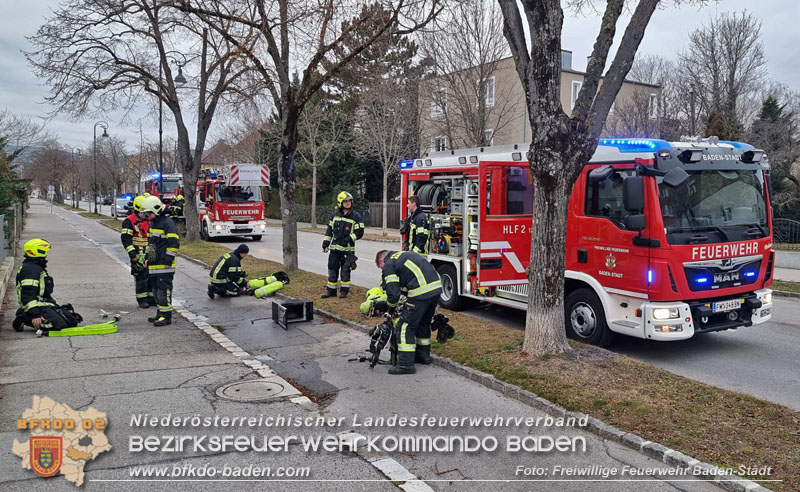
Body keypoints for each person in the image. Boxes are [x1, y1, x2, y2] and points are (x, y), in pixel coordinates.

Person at [375, 249, 442, 375]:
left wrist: (390, 309)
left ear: (381, 260)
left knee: (404, 326)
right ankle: (423, 356)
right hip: (436, 288)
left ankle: (406, 365)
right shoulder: (403, 255)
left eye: (380, 267)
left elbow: (393, 294)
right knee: (422, 323)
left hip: (420, 292)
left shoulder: (388, 264)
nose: (382, 271)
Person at [14, 239, 82, 337]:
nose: (46, 254)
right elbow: (27, 294)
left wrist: (57, 308)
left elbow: (45, 294)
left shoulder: (37, 267)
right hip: (34, 306)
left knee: (73, 321)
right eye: (45, 251)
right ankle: (23, 317)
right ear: (39, 251)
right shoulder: (31, 270)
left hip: (42, 303)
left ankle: (35, 315)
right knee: (58, 325)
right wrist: (35, 314)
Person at [140, 195, 180, 326]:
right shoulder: (153, 223)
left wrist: (168, 260)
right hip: (154, 264)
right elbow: (151, 244)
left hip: (165, 265)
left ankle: (166, 316)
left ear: (155, 210)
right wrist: (147, 258)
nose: (147, 216)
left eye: (148, 213)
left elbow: (173, 243)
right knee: (156, 292)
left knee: (163, 292)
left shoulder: (168, 223)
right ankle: (160, 313)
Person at [321, 191, 364, 298]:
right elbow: (329, 230)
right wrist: (326, 243)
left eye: (349, 201)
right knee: (332, 269)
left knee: (345, 271)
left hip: (347, 250)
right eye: (345, 201)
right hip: (334, 249)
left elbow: (359, 233)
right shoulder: (334, 215)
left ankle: (344, 292)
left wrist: (348, 239)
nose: (348, 203)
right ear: (340, 203)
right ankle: (331, 292)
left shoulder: (356, 216)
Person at [120, 195, 154, 308]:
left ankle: (151, 298)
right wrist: (132, 255)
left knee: (151, 277)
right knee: (141, 278)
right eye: (142, 213)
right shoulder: (129, 221)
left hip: (150, 253)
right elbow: (126, 239)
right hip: (137, 254)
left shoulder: (149, 220)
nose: (144, 215)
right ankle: (142, 299)